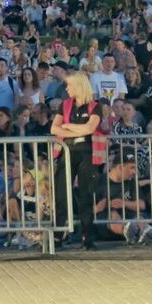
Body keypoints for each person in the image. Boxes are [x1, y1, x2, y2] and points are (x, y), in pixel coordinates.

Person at [51, 70, 103, 249]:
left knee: (86, 195)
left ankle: (87, 237)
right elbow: (54, 129)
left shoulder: (95, 106)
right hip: (67, 151)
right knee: (61, 194)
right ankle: (58, 235)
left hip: (87, 153)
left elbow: (90, 128)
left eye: (69, 85)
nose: (67, 88)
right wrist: (75, 129)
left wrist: (67, 126)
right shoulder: (64, 105)